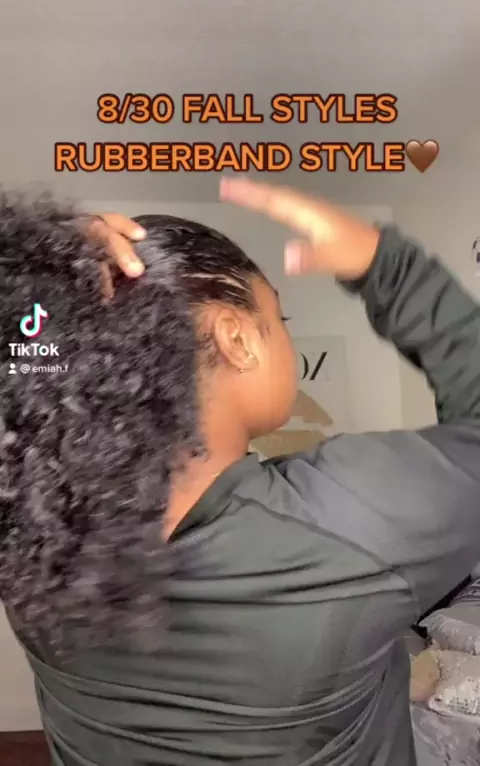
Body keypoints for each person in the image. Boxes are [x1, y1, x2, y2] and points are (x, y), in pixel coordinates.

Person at [1, 178, 480, 766]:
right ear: (236, 338)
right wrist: (389, 267)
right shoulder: (344, 525)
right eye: (280, 317)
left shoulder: (26, 528)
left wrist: (31, 284)